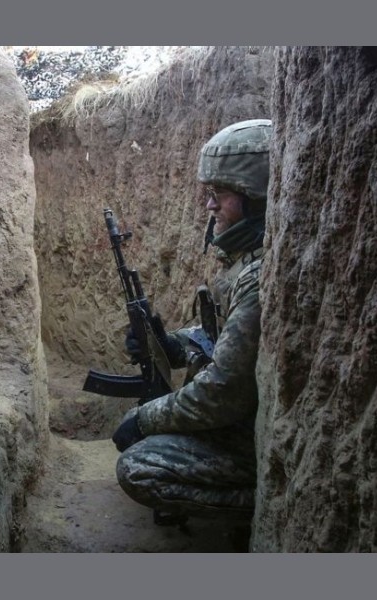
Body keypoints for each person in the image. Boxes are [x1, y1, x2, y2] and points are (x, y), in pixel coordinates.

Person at [112, 118, 272, 524]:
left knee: (139, 467)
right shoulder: (241, 263)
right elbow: (218, 341)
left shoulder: (257, 279)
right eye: (209, 194)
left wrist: (146, 418)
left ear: (256, 199)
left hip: (244, 435)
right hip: (235, 421)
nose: (210, 206)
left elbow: (224, 391)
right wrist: (171, 344)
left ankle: (260, 504)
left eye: (220, 195)